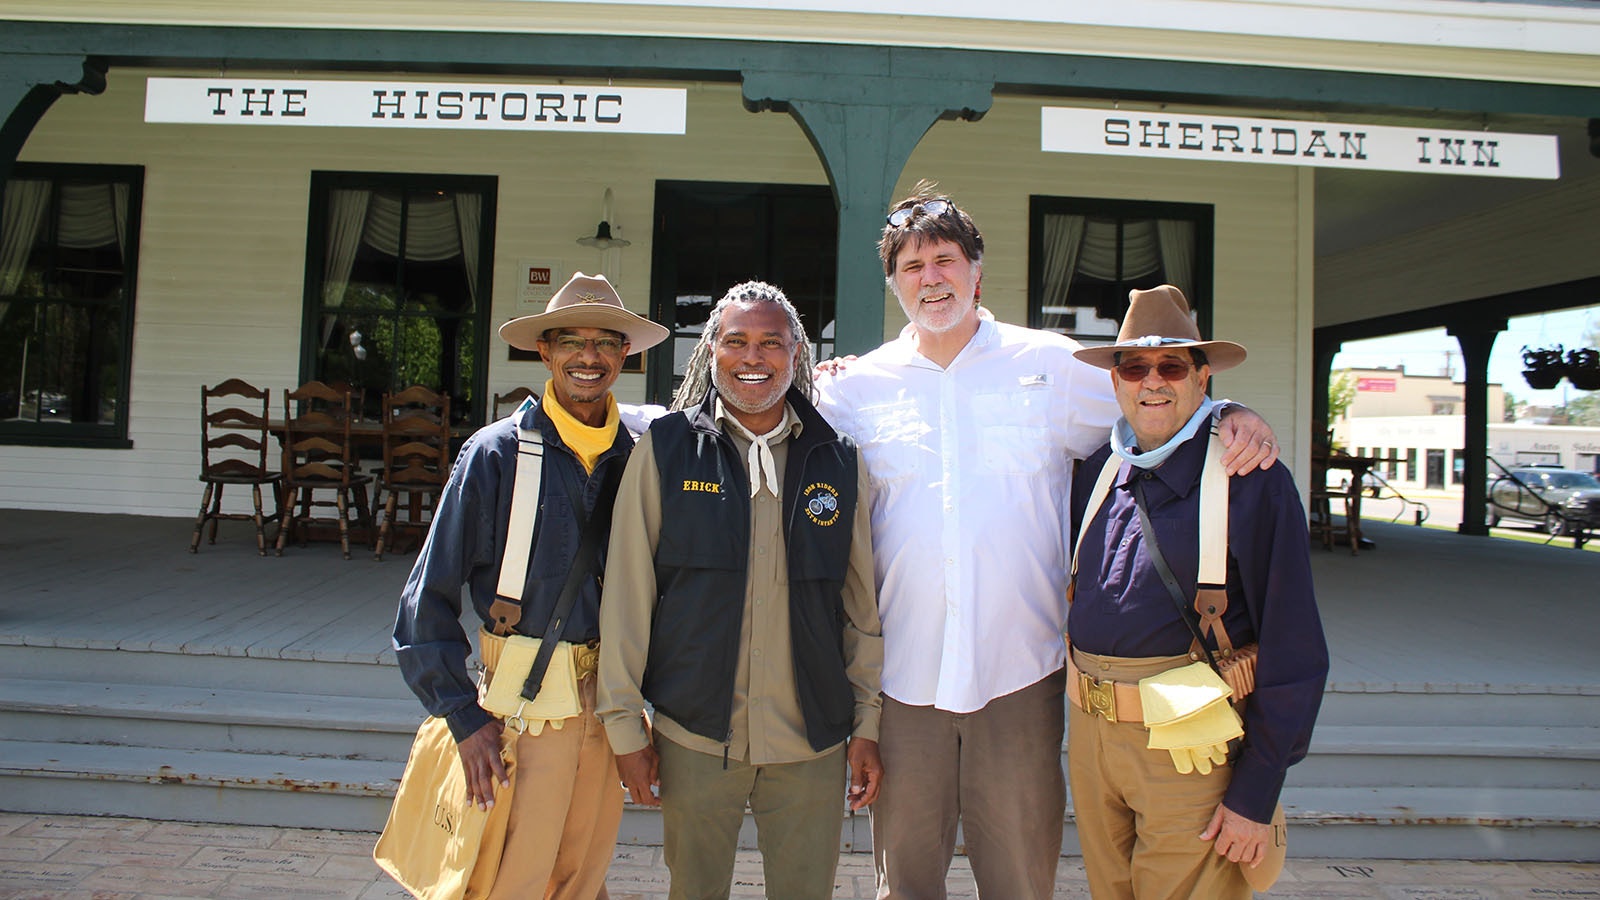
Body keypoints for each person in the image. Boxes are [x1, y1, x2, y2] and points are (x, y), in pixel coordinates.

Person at [812, 184, 1280, 899]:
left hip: (1019, 676)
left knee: (1023, 879)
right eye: (912, 266)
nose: (931, 278)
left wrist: (1232, 412)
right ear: (894, 284)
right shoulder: (853, 389)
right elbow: (750, 416)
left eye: (945, 260)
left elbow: (1159, 403)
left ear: (976, 273)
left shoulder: (1052, 366)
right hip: (904, 679)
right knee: (903, 881)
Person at [597, 281, 884, 900]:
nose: (753, 357)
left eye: (771, 343)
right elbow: (626, 598)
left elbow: (860, 612)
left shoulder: (837, 459)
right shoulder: (667, 450)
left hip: (812, 741)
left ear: (796, 355)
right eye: (737, 342)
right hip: (694, 734)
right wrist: (624, 728)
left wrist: (869, 724)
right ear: (711, 350)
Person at [392, 271, 668, 900]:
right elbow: (423, 600)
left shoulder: (643, 455)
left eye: (605, 342)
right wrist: (463, 718)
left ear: (626, 353)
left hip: (610, 705)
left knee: (582, 871)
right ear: (543, 351)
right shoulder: (494, 455)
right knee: (508, 879)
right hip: (522, 708)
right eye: (571, 340)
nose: (588, 357)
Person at [1065, 283, 1328, 899]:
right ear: (1116, 382)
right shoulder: (1094, 473)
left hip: (1192, 744)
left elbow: (1295, 651)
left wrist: (1256, 794)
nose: (1151, 381)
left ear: (1201, 379)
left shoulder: (1251, 479)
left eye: (1172, 365)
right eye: (1135, 366)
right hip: (1091, 738)